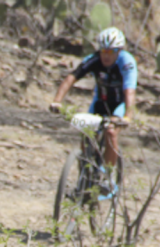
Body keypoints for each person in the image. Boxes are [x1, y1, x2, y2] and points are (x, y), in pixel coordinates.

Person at [50, 27, 137, 172]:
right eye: (103, 51)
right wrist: (57, 101)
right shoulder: (94, 59)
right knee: (87, 133)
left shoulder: (127, 62)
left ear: (119, 51)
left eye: (111, 51)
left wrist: (128, 116)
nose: (106, 55)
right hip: (100, 102)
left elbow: (130, 91)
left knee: (110, 132)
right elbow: (72, 77)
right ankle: (86, 175)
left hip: (119, 104)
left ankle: (106, 174)